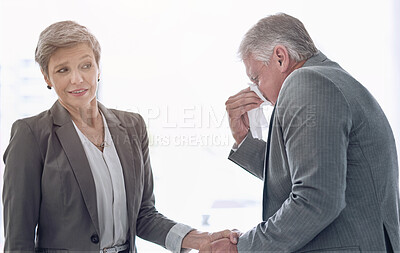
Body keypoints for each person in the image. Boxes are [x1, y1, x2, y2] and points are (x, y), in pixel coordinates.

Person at [2, 20, 238, 253]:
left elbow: (144, 215)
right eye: (63, 70)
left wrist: (198, 239)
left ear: (98, 67)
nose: (77, 79)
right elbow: (18, 241)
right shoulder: (31, 135)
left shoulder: (132, 126)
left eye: (85, 65)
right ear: (46, 77)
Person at [206, 13, 400, 252]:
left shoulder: (306, 82)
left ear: (280, 57)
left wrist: (242, 247)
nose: (257, 91)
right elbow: (309, 175)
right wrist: (243, 140)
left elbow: (315, 199)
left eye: (256, 78)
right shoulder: (332, 79)